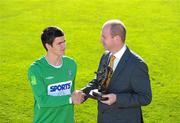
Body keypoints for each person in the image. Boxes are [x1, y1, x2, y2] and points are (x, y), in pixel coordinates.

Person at [75, 20, 152, 123]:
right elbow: (99, 80)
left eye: (104, 37)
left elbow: (145, 97)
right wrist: (83, 92)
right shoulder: (106, 55)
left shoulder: (137, 65)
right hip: (103, 118)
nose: (100, 40)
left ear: (117, 39)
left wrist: (117, 98)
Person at [28, 26, 84, 123]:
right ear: (48, 46)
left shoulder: (71, 64)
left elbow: (71, 92)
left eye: (64, 42)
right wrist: (70, 99)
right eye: (59, 43)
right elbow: (42, 100)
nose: (64, 46)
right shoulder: (36, 69)